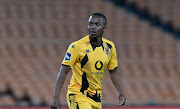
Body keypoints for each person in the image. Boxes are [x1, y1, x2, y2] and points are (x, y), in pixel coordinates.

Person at [51, 13, 126, 109]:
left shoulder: (109, 47)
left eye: (97, 25)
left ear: (104, 28)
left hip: (97, 98)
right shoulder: (77, 46)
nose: (93, 27)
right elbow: (63, 71)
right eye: (90, 24)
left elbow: (114, 72)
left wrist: (121, 93)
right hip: (78, 95)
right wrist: (56, 97)